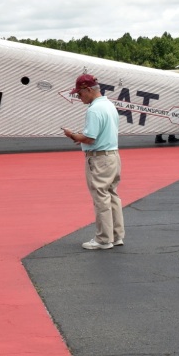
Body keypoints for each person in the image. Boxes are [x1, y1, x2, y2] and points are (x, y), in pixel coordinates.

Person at [62, 74, 124, 250]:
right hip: (113, 155)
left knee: (101, 198)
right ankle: (116, 235)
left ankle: (104, 239)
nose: (78, 97)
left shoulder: (94, 110)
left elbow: (90, 138)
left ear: (88, 90)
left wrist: (73, 135)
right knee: (112, 195)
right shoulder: (109, 105)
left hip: (99, 158)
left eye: (79, 93)